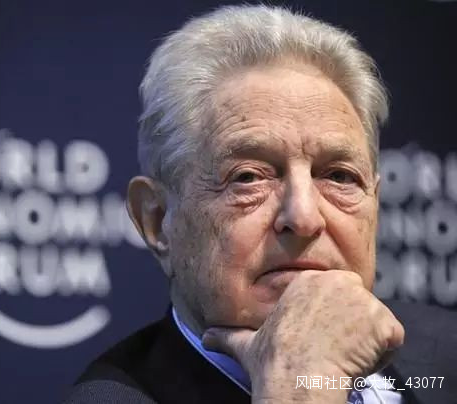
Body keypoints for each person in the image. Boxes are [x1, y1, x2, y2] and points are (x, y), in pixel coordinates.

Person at [64, 5, 456, 404]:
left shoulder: (448, 350)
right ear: (158, 219)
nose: (304, 217)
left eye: (339, 176)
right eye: (249, 177)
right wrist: (301, 386)